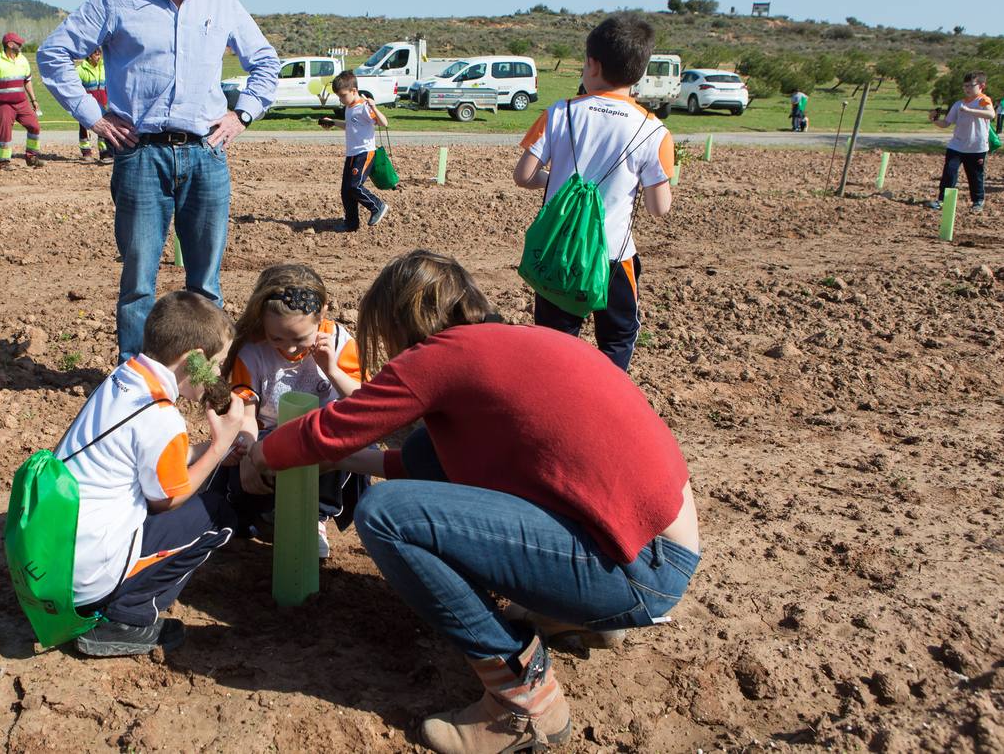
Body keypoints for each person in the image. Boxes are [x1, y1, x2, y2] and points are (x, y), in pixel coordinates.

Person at [242, 250, 700, 754]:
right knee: (422, 466)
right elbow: (428, 462)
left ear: (401, 321)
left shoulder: (441, 357)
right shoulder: (513, 343)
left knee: (386, 515)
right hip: (655, 543)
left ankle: (521, 697)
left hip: (638, 571)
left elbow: (334, 427)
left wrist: (262, 454)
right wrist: (348, 464)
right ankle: (583, 614)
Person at [37, 0, 280, 363]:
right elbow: (54, 55)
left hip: (206, 155)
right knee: (138, 281)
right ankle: (136, 378)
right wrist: (94, 116)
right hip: (141, 156)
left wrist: (241, 114)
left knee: (206, 281)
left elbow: (266, 63)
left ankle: (208, 376)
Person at [56, 290, 246, 657]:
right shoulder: (161, 416)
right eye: (218, 363)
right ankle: (129, 618)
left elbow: (147, 456)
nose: (220, 374)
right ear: (193, 360)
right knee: (215, 516)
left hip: (59, 552)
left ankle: (111, 596)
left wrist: (207, 451)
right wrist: (220, 447)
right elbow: (166, 500)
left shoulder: (125, 379)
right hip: (86, 576)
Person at [513, 14, 673, 371]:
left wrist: (557, 183)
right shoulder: (654, 131)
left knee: (554, 343)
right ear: (639, 71)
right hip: (615, 258)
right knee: (617, 338)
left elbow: (524, 176)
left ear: (592, 64)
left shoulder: (559, 113)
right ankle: (603, 406)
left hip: (560, 255)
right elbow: (658, 207)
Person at [223, 263, 368, 556]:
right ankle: (259, 513)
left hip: (322, 442)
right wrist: (249, 454)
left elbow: (365, 405)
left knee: (349, 436)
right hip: (268, 440)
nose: (289, 349)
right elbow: (247, 416)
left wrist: (332, 370)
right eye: (277, 338)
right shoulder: (252, 350)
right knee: (235, 461)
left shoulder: (339, 342)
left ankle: (315, 516)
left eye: (299, 339)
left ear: (322, 314)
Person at [319, 70, 390, 231]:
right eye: (339, 96)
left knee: (354, 186)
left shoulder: (364, 107)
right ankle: (351, 224)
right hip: (351, 154)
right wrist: (333, 122)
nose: (341, 99)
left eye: (343, 95)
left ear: (354, 91)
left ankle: (377, 206)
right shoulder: (349, 107)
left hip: (364, 153)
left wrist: (374, 107)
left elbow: (383, 123)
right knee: (346, 191)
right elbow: (350, 125)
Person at [929, 71, 995, 215]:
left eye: (971, 85)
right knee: (949, 173)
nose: (967, 89)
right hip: (956, 146)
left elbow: (991, 114)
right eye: (965, 86)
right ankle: (942, 200)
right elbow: (946, 123)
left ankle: (977, 201)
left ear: (982, 85)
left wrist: (970, 110)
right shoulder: (958, 104)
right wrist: (934, 120)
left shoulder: (983, 100)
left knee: (975, 176)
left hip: (977, 147)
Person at [0, 32, 43, 170]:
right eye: (18, 43)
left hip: (22, 103)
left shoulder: (23, 60)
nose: (21, 45)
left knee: (34, 126)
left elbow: (27, 81)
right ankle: (4, 162)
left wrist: (34, 100)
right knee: (5, 132)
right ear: (10, 45)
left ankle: (31, 156)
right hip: (4, 105)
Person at [75, 49, 110, 162]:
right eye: (96, 54)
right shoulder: (80, 70)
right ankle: (86, 153)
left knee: (103, 128)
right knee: (84, 127)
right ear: (89, 56)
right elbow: (75, 88)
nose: (98, 56)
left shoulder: (104, 68)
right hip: (86, 105)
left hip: (103, 104)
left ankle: (104, 153)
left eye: (100, 54)